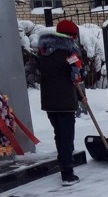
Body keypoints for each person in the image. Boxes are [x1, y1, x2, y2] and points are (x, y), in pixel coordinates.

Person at [37, 19, 86, 186]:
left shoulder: (43, 50)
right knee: (66, 136)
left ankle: (63, 162)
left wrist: (79, 97)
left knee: (59, 133)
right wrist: (80, 95)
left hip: (49, 100)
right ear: (70, 35)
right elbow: (76, 75)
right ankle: (67, 173)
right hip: (65, 99)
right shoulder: (69, 51)